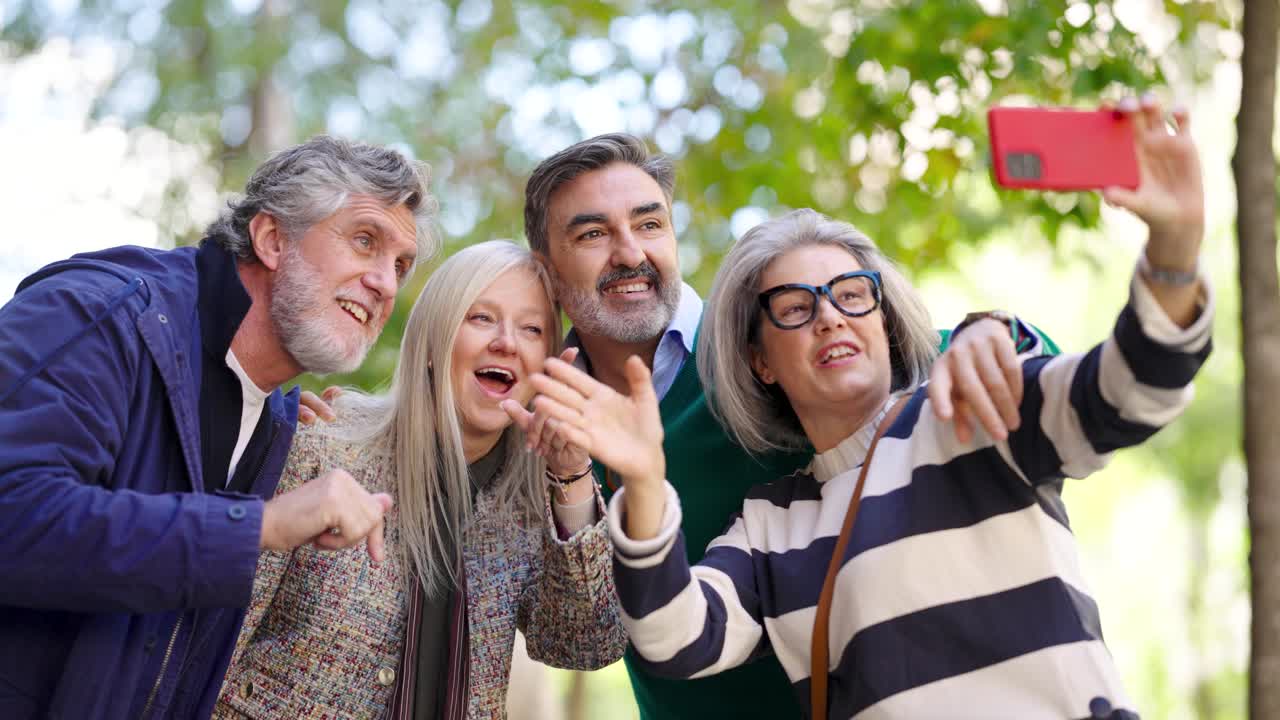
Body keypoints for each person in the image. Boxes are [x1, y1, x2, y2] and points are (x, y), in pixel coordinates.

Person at [528, 97, 1210, 718]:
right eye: (592, 235)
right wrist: (642, 481)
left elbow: (1107, 388)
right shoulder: (759, 521)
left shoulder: (956, 422)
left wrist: (1008, 326)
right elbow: (662, 635)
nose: (829, 320)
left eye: (649, 223)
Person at [0, 136, 434, 720]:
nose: (386, 283)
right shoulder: (98, 313)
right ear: (273, 238)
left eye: (401, 265)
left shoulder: (275, 419)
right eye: (364, 241)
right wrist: (260, 526)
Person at [214, 241, 626, 719]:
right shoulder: (321, 446)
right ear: (433, 342)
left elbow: (586, 645)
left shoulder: (534, 505)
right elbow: (214, 638)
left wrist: (573, 476)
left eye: (532, 329)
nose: (507, 343)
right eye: (481, 318)